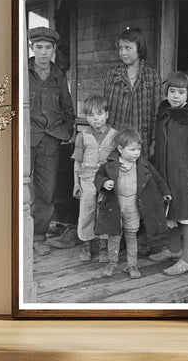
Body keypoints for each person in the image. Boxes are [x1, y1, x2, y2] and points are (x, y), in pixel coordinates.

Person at [149, 72, 188, 275]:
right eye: (172, 91)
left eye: (181, 92)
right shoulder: (164, 112)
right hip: (166, 173)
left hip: (187, 176)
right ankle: (174, 250)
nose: (175, 96)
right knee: (171, 212)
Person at [94, 129, 171, 279]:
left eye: (138, 149)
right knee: (114, 236)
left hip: (133, 206)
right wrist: (104, 182)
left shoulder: (143, 164)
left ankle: (132, 264)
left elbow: (158, 178)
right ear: (120, 149)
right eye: (132, 149)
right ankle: (111, 263)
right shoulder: (110, 164)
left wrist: (165, 191)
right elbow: (98, 177)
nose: (137, 153)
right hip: (115, 206)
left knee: (131, 235)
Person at [28, 26, 76, 256]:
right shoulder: (22, 71)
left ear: (54, 49)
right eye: (39, 47)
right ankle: (19, 233)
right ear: (32, 48)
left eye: (48, 48)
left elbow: (68, 109)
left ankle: (38, 237)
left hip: (51, 141)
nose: (44, 52)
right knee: (23, 189)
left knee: (46, 192)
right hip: (27, 139)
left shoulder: (59, 75)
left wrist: (66, 132)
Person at [103, 27, 162, 158]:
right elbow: (104, 108)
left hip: (141, 142)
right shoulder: (112, 75)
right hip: (115, 141)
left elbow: (157, 112)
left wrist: (154, 141)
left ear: (139, 48)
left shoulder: (151, 76)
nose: (123, 52)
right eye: (120, 48)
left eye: (128, 48)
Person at [72, 95, 117, 262]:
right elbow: (77, 161)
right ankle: (86, 245)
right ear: (86, 117)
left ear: (107, 114)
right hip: (87, 181)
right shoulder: (82, 136)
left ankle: (104, 247)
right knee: (87, 212)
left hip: (106, 181)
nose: (96, 118)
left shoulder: (114, 136)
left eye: (99, 114)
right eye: (91, 115)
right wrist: (76, 183)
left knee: (104, 212)